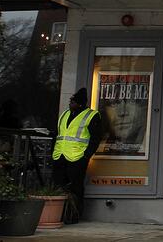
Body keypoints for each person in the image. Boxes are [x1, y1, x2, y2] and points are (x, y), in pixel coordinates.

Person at [52, 88, 102, 223]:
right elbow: (58, 134)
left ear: (80, 103)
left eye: (72, 101)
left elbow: (95, 138)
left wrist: (86, 156)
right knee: (58, 185)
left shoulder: (91, 115)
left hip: (77, 156)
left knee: (76, 187)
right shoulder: (65, 114)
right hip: (59, 155)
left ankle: (73, 216)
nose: (70, 103)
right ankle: (59, 215)